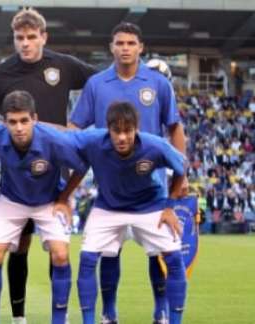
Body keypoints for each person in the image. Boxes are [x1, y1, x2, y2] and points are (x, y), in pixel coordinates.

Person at [0, 8, 96, 324]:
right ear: (14, 39)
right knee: (20, 247)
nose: (25, 44)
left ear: (44, 37)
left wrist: (77, 125)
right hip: (18, 172)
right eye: (19, 38)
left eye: (31, 37)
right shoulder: (0, 74)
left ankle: (60, 315)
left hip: (55, 168)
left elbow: (101, 83)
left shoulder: (63, 65)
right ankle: (18, 317)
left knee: (58, 251)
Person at [68, 22, 186, 324]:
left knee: (155, 253)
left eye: (131, 43)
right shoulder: (97, 84)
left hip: (151, 184)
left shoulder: (158, 83)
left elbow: (174, 127)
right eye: (119, 43)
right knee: (109, 251)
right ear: (112, 47)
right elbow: (75, 128)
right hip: (111, 184)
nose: (125, 48)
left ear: (140, 47)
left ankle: (161, 310)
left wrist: (179, 174)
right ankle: (108, 312)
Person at [0, 90, 86, 324]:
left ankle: (59, 319)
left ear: (34, 118)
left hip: (48, 200)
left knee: (60, 253)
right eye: (12, 122)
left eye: (24, 121)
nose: (19, 128)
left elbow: (82, 165)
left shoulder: (54, 140)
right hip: (11, 200)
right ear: (4, 122)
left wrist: (64, 198)